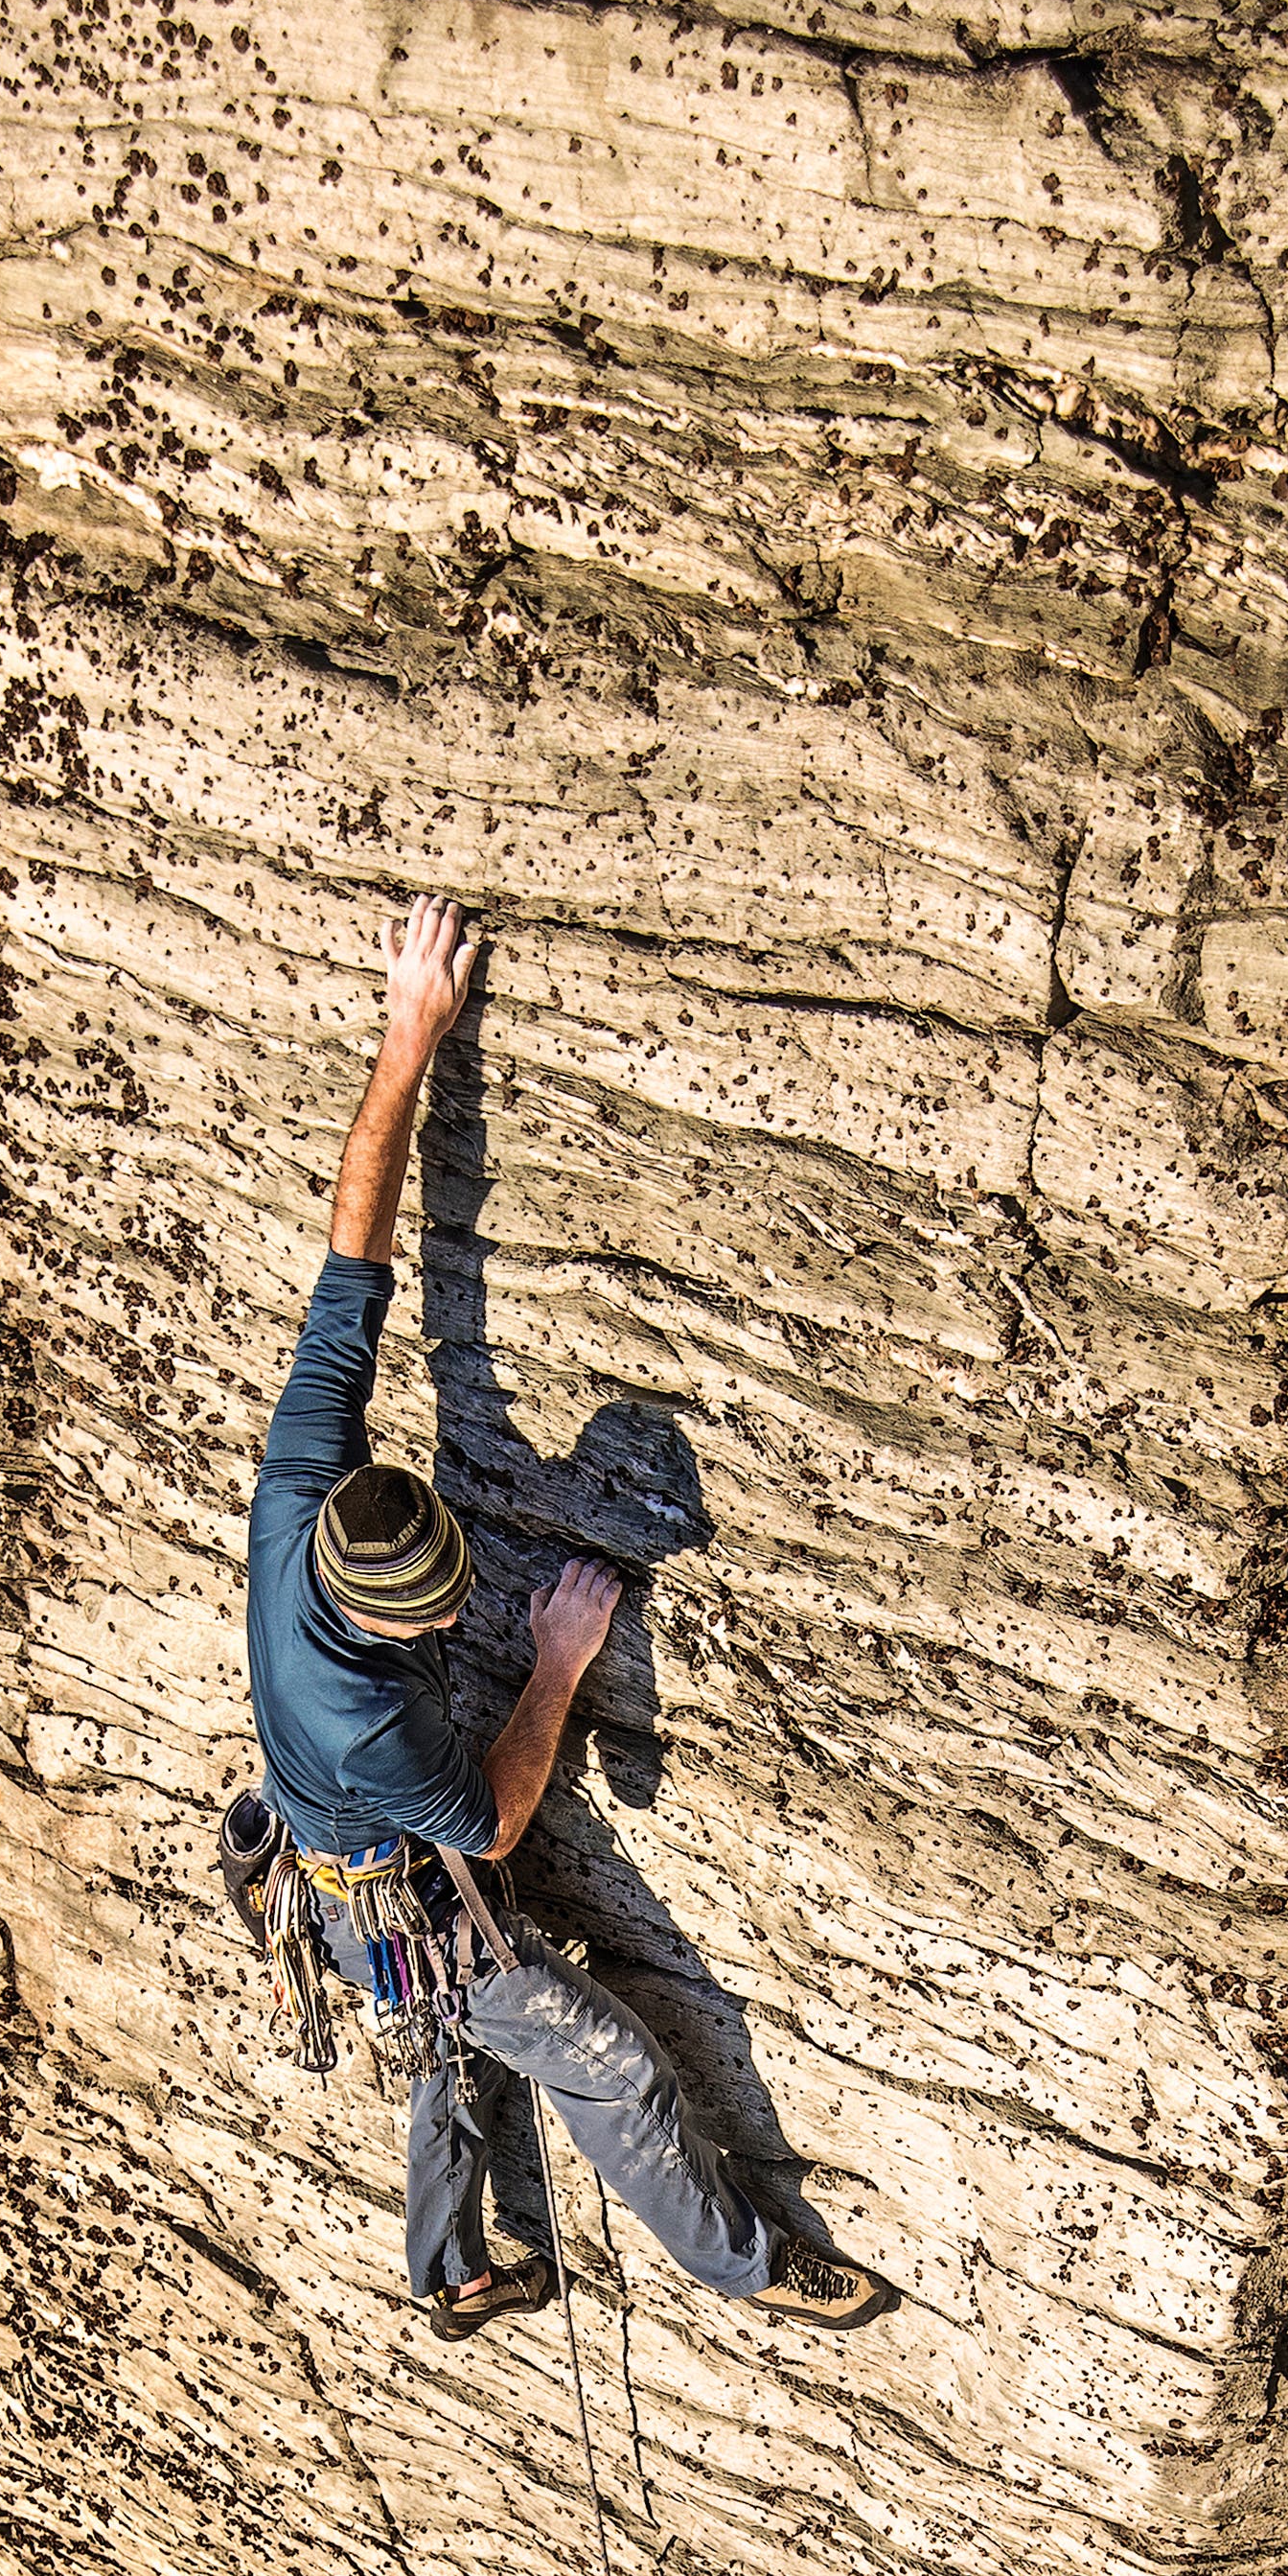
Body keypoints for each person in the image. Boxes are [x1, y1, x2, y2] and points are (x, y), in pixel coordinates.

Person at [242, 894, 879, 2341]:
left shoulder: (302, 1486)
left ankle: (452, 2266)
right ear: (396, 1631)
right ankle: (754, 2265)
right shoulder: (381, 1721)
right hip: (389, 1892)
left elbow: (359, 1253)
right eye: (447, 1611)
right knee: (602, 2061)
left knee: (448, 2050)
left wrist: (411, 1034)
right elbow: (497, 1822)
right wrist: (553, 1661)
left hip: (333, 1859)